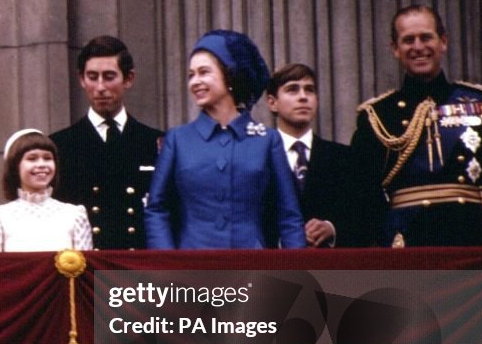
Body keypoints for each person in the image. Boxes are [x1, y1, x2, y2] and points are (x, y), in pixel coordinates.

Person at [350, 4, 482, 247]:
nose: (418, 47)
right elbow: (363, 195)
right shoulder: (377, 115)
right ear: (395, 49)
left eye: (426, 37)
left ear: (443, 42)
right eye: (408, 40)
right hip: (407, 241)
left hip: (472, 237)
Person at [144, 30, 305, 249]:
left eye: (204, 72)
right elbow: (157, 210)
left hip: (254, 269)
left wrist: (296, 271)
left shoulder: (267, 140)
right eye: (191, 75)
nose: (195, 81)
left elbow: (288, 216)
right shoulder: (177, 140)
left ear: (230, 75)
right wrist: (168, 265)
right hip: (190, 270)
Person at [50, 36, 162, 250]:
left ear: (128, 79)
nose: (100, 87)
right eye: (92, 77)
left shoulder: (154, 142)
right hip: (85, 270)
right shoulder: (59, 145)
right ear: (82, 80)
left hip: (139, 270)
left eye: (109, 77)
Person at [264, 63, 357, 247]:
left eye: (310, 90)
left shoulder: (344, 158)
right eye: (292, 90)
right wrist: (287, 239)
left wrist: (332, 228)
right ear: (272, 102)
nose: (303, 97)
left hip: (331, 268)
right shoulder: (259, 160)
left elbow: (364, 215)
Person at [0, 129, 93, 252]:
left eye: (47, 158)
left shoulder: (75, 215)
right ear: (15, 166)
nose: (42, 164)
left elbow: (86, 266)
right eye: (32, 158)